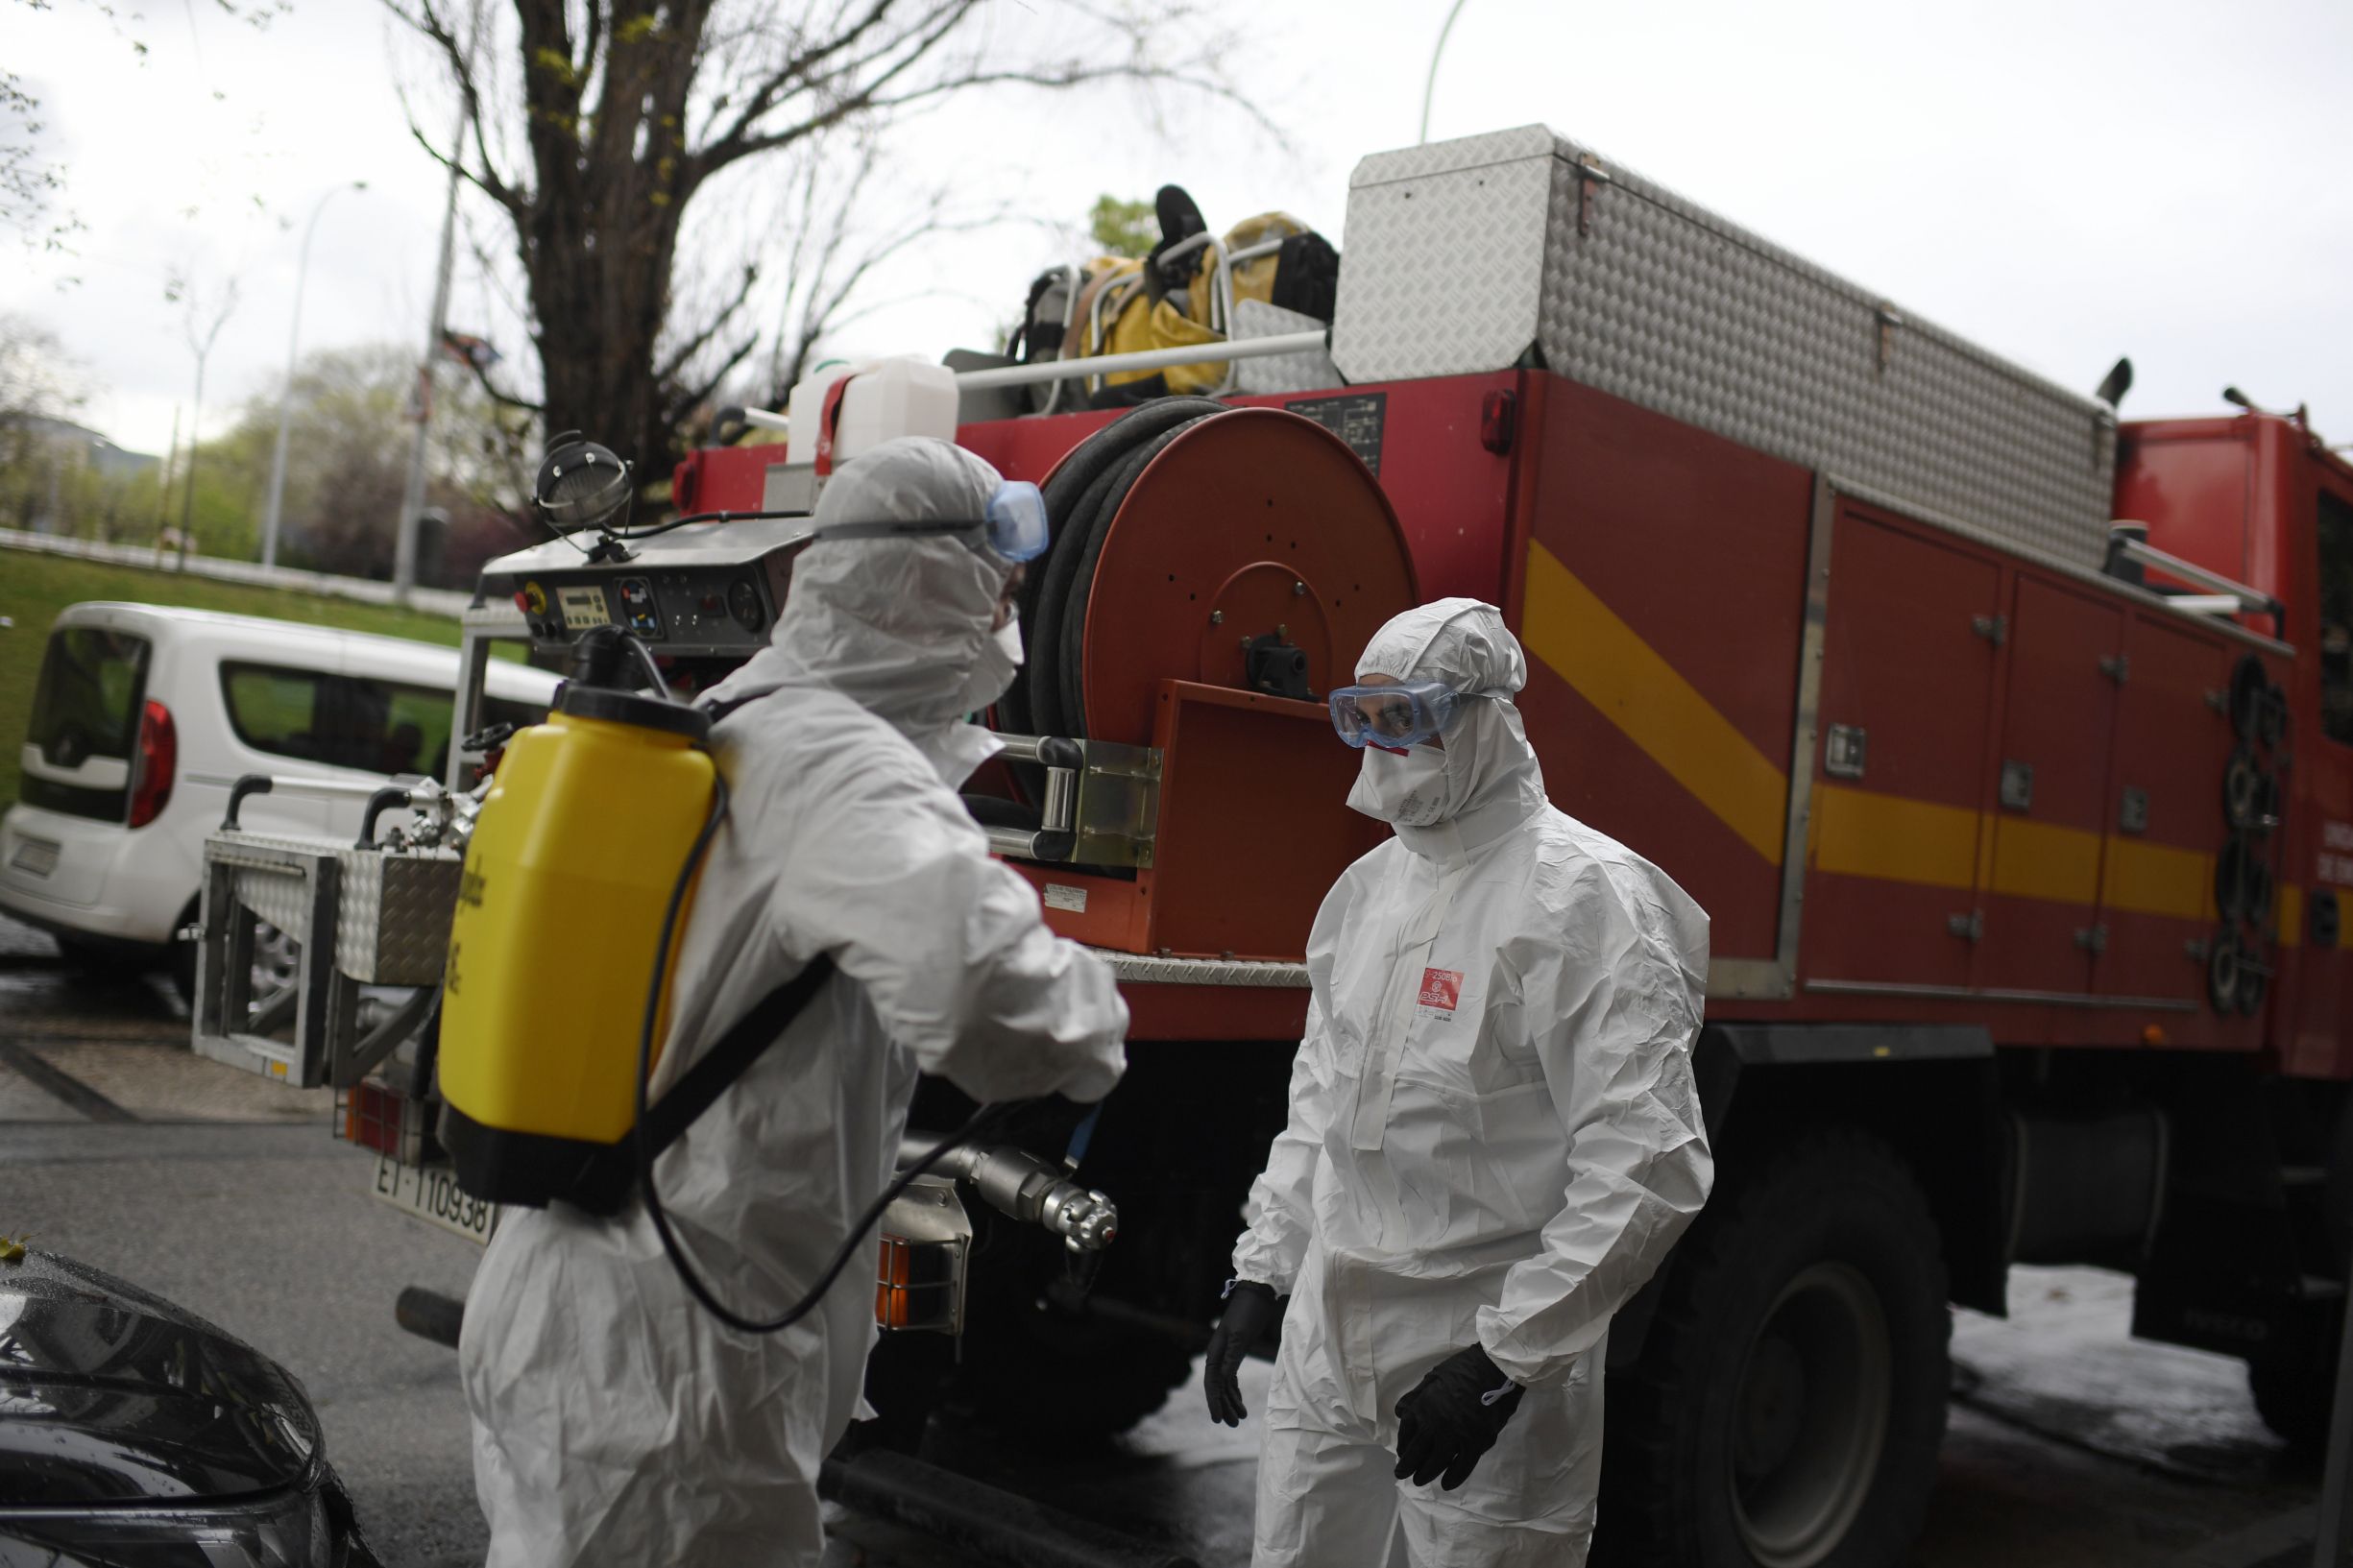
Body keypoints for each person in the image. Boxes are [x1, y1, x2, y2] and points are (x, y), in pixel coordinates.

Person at [460, 437, 1130, 1567]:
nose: (1011, 609)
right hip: (670, 1367)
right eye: (998, 579)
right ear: (936, 582)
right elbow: (984, 995)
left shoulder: (740, 711)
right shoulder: (840, 764)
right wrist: (1094, 1024)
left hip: (583, 1298)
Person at [1202, 597, 1711, 1567]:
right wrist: (1261, 1270)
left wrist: (1502, 1359)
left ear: (1484, 715)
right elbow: (1317, 1106)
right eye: (1366, 718)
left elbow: (1645, 1166)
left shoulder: (1586, 901)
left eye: (1410, 717)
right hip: (1328, 1334)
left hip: (1481, 1346)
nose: (1384, 746)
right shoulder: (1366, 893)